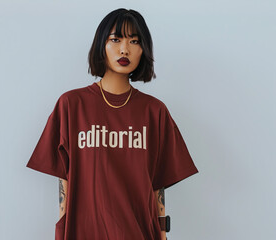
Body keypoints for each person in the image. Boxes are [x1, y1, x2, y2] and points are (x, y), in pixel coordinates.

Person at [26, 8, 199, 240]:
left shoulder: (154, 111)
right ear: (101, 45)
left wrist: (162, 234)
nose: (124, 49)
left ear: (143, 50)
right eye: (115, 39)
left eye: (134, 41)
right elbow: (64, 180)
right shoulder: (71, 105)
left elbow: (158, 185)